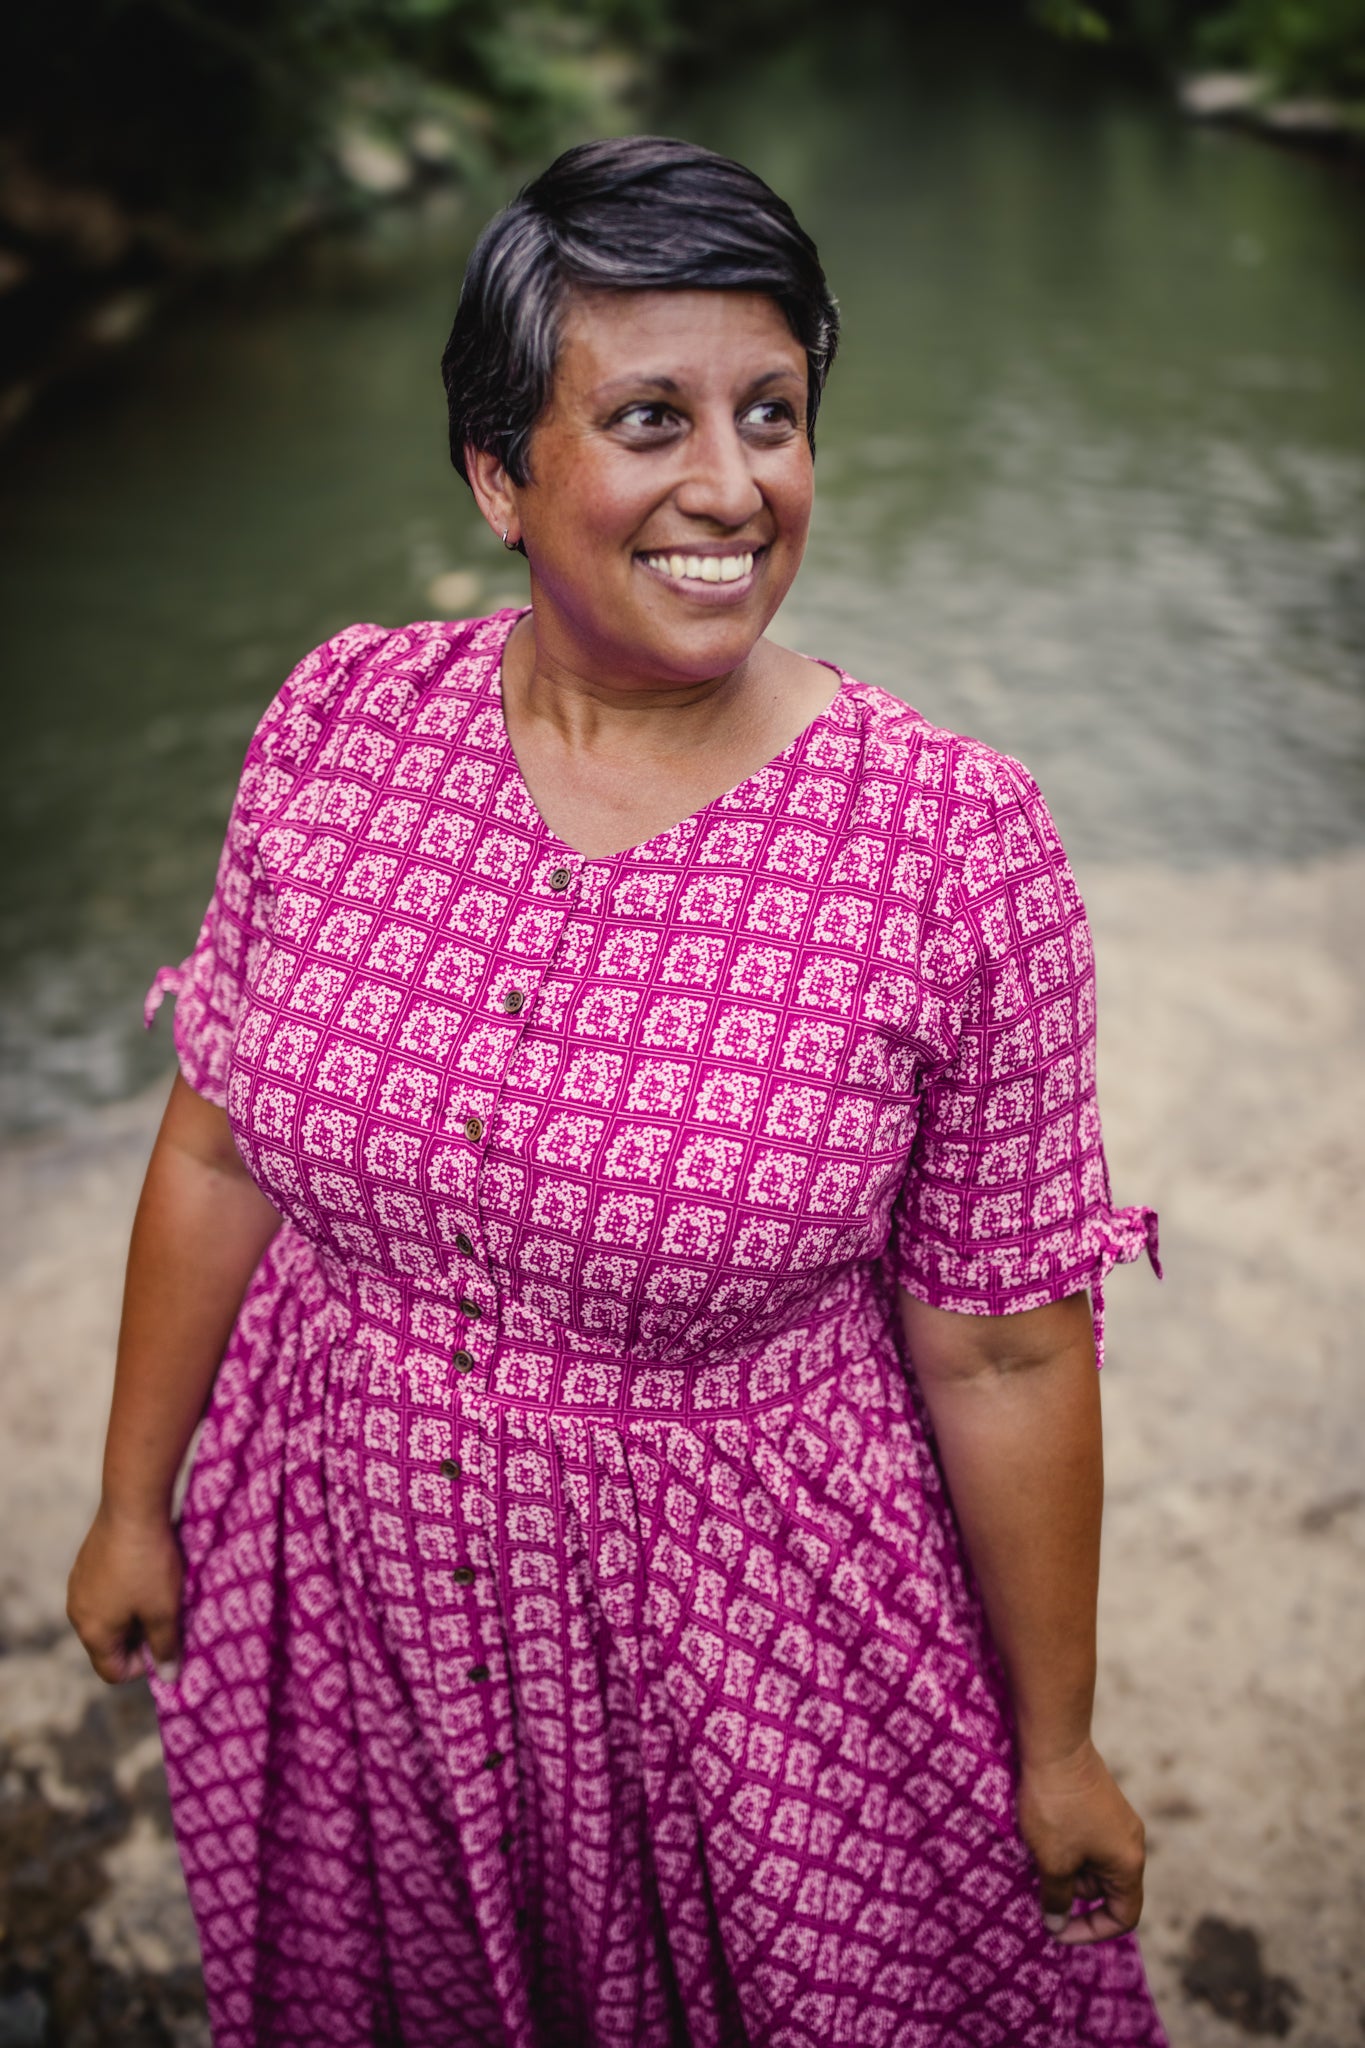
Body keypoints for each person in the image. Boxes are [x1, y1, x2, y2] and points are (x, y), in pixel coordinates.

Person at [67, 135, 1167, 2047]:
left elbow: (1003, 1348)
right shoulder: (341, 722)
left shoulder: (949, 847)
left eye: (774, 414)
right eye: (649, 419)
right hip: (355, 1584)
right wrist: (133, 1499)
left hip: (749, 1644)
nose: (730, 488)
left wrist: (1055, 1737)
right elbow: (224, 1139)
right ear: (499, 475)